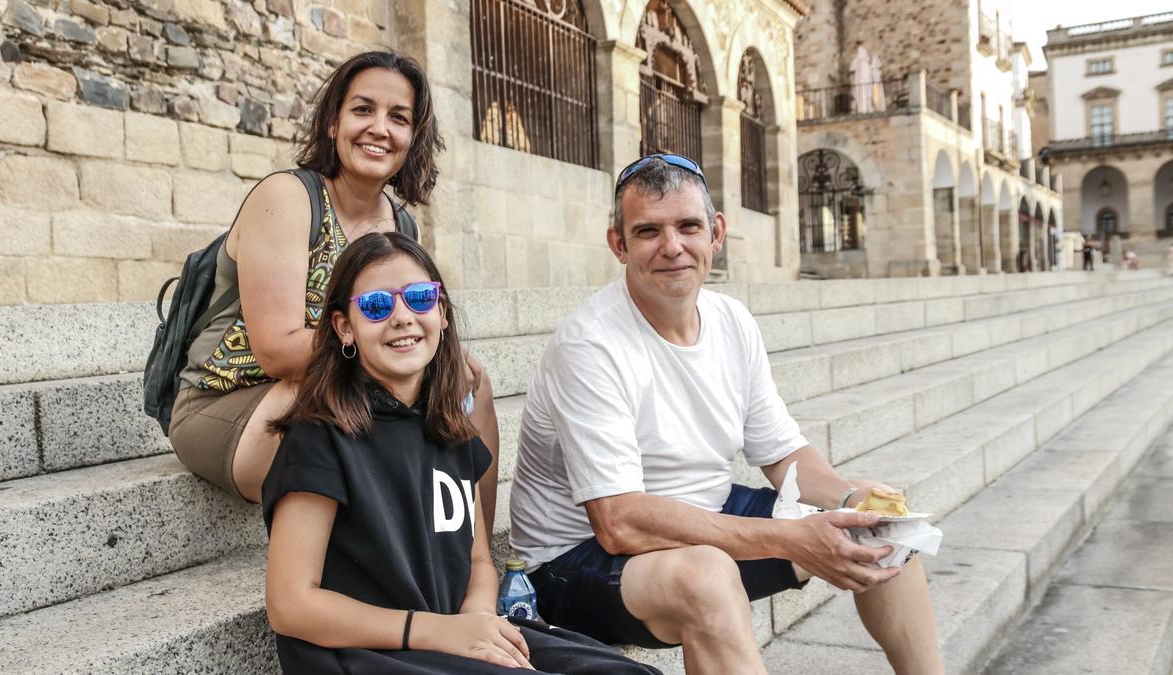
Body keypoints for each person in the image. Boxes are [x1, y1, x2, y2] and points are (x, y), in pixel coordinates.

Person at [510, 155, 943, 675]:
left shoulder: (731, 319)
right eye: (648, 231)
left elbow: (784, 454)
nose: (672, 247)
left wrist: (851, 500)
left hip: (700, 516)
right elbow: (620, 523)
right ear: (619, 245)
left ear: (715, 233)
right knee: (707, 575)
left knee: (883, 530)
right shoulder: (589, 345)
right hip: (572, 565)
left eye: (688, 226)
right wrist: (791, 539)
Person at [262, 232, 660, 674]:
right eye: (376, 305)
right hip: (369, 653)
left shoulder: (451, 430)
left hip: (451, 636)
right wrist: (436, 632)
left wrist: (475, 617)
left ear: (442, 313)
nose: (401, 317)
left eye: (418, 298)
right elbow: (291, 604)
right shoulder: (320, 437)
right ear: (343, 327)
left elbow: (477, 561)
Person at [169, 51, 501, 524]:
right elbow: (278, 352)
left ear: (412, 137)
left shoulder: (401, 227)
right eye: (363, 110)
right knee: (368, 394)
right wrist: (393, 352)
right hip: (236, 404)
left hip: (343, 386)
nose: (379, 128)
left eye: (398, 117)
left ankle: (474, 556)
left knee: (469, 384)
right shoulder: (288, 197)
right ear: (332, 123)